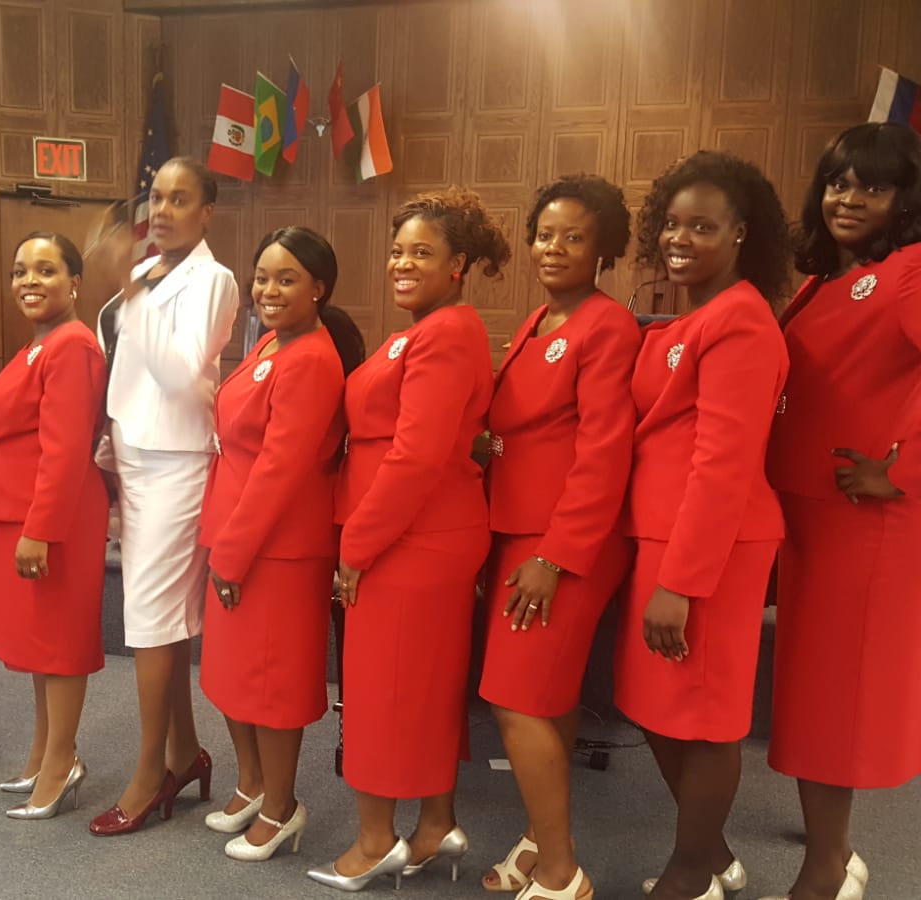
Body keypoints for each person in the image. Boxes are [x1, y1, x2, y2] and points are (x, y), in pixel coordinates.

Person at [760, 122, 921, 900]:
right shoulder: (830, 278)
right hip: (817, 518)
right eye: (838, 182)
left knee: (834, 702)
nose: (849, 198)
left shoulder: (916, 268)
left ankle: (826, 871)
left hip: (868, 522)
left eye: (873, 186)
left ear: (908, 199)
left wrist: (904, 471)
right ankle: (832, 849)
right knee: (816, 696)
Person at [307, 188, 506, 892]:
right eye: (397, 250)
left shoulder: (445, 332)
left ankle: (373, 842)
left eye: (423, 252)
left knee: (384, 693)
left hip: (409, 540)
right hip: (414, 534)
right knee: (420, 691)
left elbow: (416, 457)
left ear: (458, 264)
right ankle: (434, 825)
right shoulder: (421, 331)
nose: (403, 263)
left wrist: (356, 547)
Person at [615, 151, 792, 900]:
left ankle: (691, 873)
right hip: (659, 535)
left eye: (703, 227)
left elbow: (722, 463)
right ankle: (712, 856)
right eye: (671, 224)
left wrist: (681, 582)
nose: (679, 239)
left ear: (740, 234)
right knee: (656, 708)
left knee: (706, 716)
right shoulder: (696, 316)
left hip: (711, 547)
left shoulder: (741, 320)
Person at [480, 176, 638, 900]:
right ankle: (541, 841)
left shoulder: (607, 325)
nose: (554, 247)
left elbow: (604, 453)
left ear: (603, 249)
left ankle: (562, 873)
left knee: (515, 698)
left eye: (574, 237)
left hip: (563, 542)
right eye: (545, 234)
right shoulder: (540, 319)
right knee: (544, 697)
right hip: (519, 530)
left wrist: (555, 554)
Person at [88, 157, 240, 836]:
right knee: (161, 619)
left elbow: (179, 374)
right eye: (157, 196)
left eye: (181, 200)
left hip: (176, 462)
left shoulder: (214, 279)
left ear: (207, 212)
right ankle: (183, 753)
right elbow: (125, 364)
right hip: (134, 454)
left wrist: (128, 290)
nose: (164, 210)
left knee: (150, 619)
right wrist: (108, 440)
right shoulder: (149, 272)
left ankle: (151, 772)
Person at [200, 226, 361, 862]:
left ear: (319, 287)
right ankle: (252, 784)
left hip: (277, 549)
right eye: (262, 277)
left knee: (271, 685)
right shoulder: (273, 340)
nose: (268, 289)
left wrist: (232, 554)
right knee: (231, 675)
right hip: (236, 531)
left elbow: (280, 470)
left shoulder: (313, 359)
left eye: (286, 279)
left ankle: (282, 806)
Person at [0, 231, 109, 819]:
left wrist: (41, 528)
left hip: (54, 517)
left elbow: (66, 448)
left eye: (46, 270)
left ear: (74, 282)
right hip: (22, 512)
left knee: (58, 644)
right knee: (38, 643)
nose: (29, 281)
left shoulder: (72, 345)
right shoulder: (42, 343)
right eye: (19, 271)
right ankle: (42, 751)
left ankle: (62, 761)